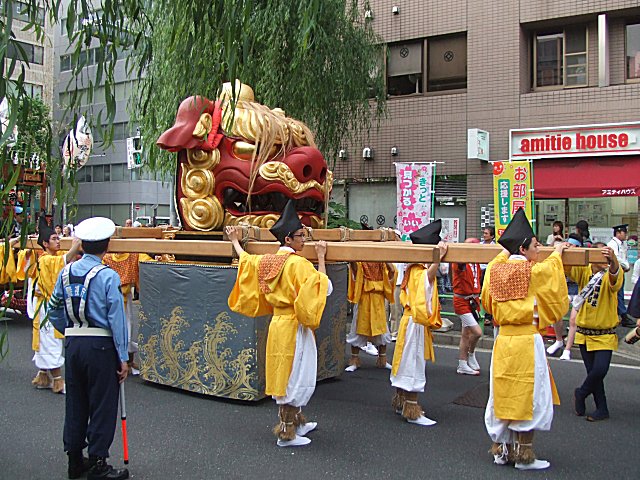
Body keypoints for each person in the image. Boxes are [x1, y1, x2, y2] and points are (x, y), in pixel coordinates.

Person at [227, 200, 331, 447]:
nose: (304, 240)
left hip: (278, 324)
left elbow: (245, 260)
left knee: (284, 373)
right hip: (295, 326)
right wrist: (321, 257)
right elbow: (323, 287)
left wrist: (234, 241)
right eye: (300, 236)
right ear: (287, 240)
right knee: (294, 375)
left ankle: (298, 421)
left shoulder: (267, 261)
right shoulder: (299, 264)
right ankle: (286, 433)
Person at [482, 209, 568, 471]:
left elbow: (487, 297)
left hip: (503, 340)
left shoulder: (495, 270)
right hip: (527, 341)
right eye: (535, 245)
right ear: (524, 247)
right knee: (529, 395)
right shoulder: (534, 271)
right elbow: (552, 276)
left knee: (501, 393)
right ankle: (524, 454)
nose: (539, 249)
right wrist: (558, 253)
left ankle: (501, 450)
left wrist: (506, 249)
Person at [47, 217, 130, 480]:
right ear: (106, 246)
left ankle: (74, 460)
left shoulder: (65, 272)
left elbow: (53, 309)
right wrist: (123, 356)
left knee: (76, 402)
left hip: (73, 343)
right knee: (102, 404)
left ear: (82, 244)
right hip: (101, 345)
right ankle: (97, 463)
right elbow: (117, 320)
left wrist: (71, 329)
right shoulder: (108, 276)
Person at [390, 219, 446, 427]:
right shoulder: (417, 270)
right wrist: (437, 260)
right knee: (412, 364)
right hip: (414, 322)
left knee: (406, 362)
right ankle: (411, 409)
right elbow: (426, 281)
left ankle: (401, 401)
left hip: (411, 321)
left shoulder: (413, 268)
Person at [19, 217, 82, 394]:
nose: (58, 240)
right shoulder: (46, 259)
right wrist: (75, 246)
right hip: (45, 306)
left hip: (45, 305)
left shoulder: (48, 258)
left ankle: (43, 376)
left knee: (47, 341)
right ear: (45, 244)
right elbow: (63, 261)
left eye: (57, 237)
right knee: (50, 342)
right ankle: (58, 380)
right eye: (54, 239)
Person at [567, 243, 622, 422]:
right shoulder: (585, 271)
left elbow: (615, 276)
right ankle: (602, 408)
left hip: (605, 333)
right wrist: (569, 251)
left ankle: (581, 392)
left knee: (599, 370)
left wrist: (613, 260)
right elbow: (567, 268)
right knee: (593, 372)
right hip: (584, 332)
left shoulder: (610, 273)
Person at [345, 261, 396, 371]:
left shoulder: (382, 263)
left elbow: (392, 272)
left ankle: (382, 360)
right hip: (364, 298)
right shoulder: (361, 262)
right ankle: (354, 360)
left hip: (378, 300)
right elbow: (355, 271)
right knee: (357, 329)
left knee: (382, 331)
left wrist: (387, 261)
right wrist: (353, 259)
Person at [102, 252, 141, 375]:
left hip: (120, 297)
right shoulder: (131, 255)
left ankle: (127, 361)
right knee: (121, 328)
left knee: (127, 328)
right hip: (110, 297)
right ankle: (119, 360)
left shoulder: (133, 255)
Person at [452, 238, 483, 375]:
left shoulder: (476, 261)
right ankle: (470, 354)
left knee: (466, 334)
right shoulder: (461, 262)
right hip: (461, 301)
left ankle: (462, 363)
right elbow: (459, 261)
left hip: (472, 301)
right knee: (477, 332)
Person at [607, 224, 634, 327]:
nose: (626, 235)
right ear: (618, 233)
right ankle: (623, 316)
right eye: (624, 232)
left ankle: (620, 315)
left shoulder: (623, 244)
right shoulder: (612, 244)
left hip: (621, 271)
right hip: (615, 271)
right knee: (618, 294)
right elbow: (616, 258)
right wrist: (626, 266)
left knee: (620, 293)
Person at [480, 226, 496, 326]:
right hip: (479, 270)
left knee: (488, 293)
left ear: (492, 236)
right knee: (478, 292)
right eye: (484, 233)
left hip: (489, 271)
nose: (484, 235)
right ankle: (479, 314)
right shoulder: (479, 245)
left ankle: (488, 317)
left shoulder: (494, 247)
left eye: (486, 233)